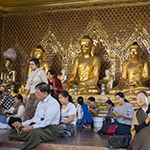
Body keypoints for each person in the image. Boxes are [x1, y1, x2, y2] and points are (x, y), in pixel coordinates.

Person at [8, 82, 60, 150]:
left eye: (37, 93)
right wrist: (22, 124)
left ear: (45, 93)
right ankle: (26, 138)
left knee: (34, 133)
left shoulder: (53, 103)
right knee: (15, 132)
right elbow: (35, 119)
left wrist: (32, 127)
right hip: (38, 126)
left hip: (49, 130)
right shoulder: (40, 102)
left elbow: (47, 122)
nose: (36, 95)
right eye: (35, 93)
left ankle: (25, 147)